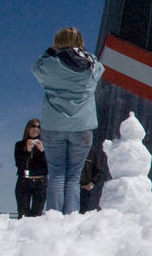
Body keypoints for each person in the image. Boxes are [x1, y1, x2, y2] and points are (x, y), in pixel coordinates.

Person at [32, 27, 105, 214]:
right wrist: (86, 53)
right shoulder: (90, 66)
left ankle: (54, 217)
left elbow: (36, 68)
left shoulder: (49, 65)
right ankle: (71, 217)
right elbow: (100, 68)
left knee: (56, 173)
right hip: (82, 127)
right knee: (74, 176)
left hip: (53, 125)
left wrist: (50, 52)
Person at [14, 118, 48, 218]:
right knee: (23, 215)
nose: (36, 129)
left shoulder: (45, 145)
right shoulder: (19, 145)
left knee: (37, 216)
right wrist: (27, 151)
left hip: (40, 183)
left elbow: (48, 167)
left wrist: (42, 151)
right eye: (33, 126)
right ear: (28, 128)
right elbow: (20, 165)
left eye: (38, 127)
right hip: (24, 182)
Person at [79, 143, 110, 214]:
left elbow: (101, 172)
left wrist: (92, 183)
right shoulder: (68, 149)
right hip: (71, 189)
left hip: (87, 189)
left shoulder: (94, 151)